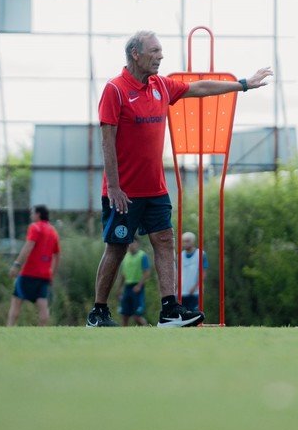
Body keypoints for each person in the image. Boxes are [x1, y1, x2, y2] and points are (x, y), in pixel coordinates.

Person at [87, 29, 272, 328]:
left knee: (164, 240)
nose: (161, 56)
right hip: (123, 192)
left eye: (161, 51)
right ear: (136, 54)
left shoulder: (161, 86)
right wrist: (116, 186)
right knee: (117, 247)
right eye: (155, 51)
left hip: (155, 189)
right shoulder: (116, 90)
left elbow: (199, 88)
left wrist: (243, 85)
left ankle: (169, 310)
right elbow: (107, 140)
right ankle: (98, 312)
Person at [7, 205, 60, 327]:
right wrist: (52, 274)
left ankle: (9, 328)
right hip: (45, 275)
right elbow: (57, 255)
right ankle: (41, 332)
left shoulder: (34, 227)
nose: (31, 215)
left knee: (16, 300)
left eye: (32, 213)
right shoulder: (53, 231)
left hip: (28, 273)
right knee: (42, 303)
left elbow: (28, 246)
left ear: (38, 214)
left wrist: (16, 264)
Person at [116, 239, 151, 326]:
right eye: (129, 243)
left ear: (137, 244)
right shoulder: (126, 257)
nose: (131, 245)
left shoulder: (142, 255)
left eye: (133, 242)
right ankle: (123, 336)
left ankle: (148, 331)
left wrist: (139, 285)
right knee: (124, 315)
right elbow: (123, 274)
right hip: (127, 288)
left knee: (137, 316)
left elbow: (147, 273)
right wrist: (119, 288)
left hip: (137, 288)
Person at [180, 231, 208, 312]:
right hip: (182, 291)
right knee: (183, 315)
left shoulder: (201, 254)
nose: (185, 243)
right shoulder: (180, 255)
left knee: (195, 314)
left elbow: (203, 273)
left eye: (188, 241)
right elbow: (177, 272)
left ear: (193, 241)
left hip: (196, 292)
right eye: (184, 241)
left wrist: (195, 286)